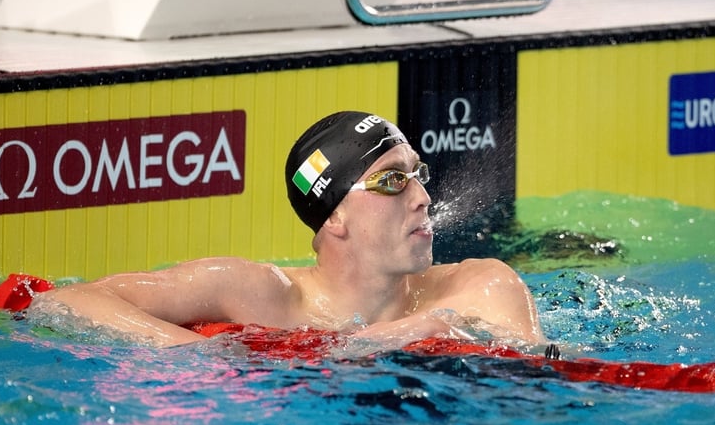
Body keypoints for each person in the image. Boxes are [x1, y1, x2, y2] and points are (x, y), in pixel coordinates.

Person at [33, 111, 545, 349]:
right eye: (392, 181)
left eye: (418, 174)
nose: (422, 198)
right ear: (335, 217)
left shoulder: (481, 287)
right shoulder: (261, 293)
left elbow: (539, 386)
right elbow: (66, 301)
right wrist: (197, 353)